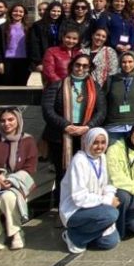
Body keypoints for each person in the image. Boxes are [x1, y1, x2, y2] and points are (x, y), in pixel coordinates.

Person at [42, 54, 106, 184]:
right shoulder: (57, 85)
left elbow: (102, 111)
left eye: (85, 66)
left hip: (85, 134)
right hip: (61, 135)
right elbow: (47, 110)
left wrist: (88, 126)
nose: (80, 68)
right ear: (72, 65)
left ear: (90, 68)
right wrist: (65, 125)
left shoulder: (96, 87)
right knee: (63, 174)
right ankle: (63, 203)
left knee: (83, 173)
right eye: (78, 64)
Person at [0, 107, 36, 251]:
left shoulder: (27, 140)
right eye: (3, 120)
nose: (6, 124)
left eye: (10, 120)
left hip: (17, 182)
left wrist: (10, 180)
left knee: (8, 198)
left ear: (18, 121)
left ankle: (16, 233)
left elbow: (30, 167)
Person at [59, 128, 120, 253]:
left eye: (103, 142)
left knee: (111, 242)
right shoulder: (79, 160)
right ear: (88, 142)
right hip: (75, 211)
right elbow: (79, 198)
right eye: (95, 142)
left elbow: (108, 183)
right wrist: (107, 200)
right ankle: (73, 236)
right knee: (111, 213)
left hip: (95, 208)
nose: (99, 146)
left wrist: (110, 195)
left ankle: (81, 237)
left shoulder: (102, 158)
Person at [102, 51, 134, 138]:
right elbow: (103, 102)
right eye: (124, 62)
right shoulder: (112, 79)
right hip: (113, 126)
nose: (127, 65)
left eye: (130, 62)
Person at [0, 3, 32, 86]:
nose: (18, 13)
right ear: (11, 12)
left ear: (24, 14)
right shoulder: (2, 28)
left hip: (24, 61)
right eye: (15, 11)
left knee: (21, 86)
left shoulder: (30, 28)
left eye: (21, 12)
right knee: (8, 86)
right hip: (8, 61)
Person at [28, 1, 65, 69]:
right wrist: (38, 62)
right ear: (49, 11)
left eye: (58, 11)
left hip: (60, 59)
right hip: (44, 60)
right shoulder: (38, 25)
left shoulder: (63, 24)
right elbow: (35, 45)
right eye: (53, 11)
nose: (56, 13)